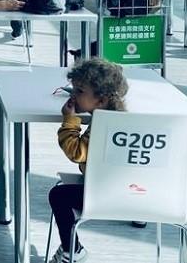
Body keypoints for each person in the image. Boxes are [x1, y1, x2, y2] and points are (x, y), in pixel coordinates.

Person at [47, 58, 129, 263]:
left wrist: (70, 121)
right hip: (133, 191)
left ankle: (72, 251)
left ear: (101, 100)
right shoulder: (120, 118)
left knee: (58, 196)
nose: (73, 95)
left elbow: (77, 153)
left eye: (79, 91)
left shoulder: (104, 124)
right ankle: (71, 249)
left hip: (107, 193)